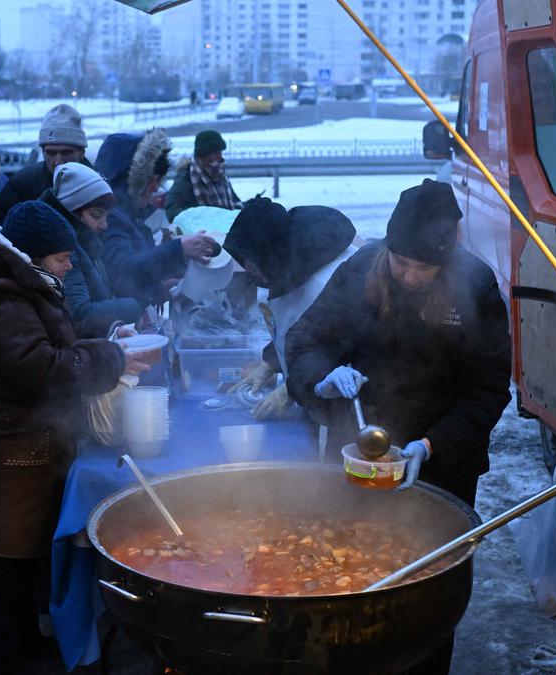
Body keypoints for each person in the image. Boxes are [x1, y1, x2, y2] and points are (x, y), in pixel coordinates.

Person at [285, 180, 510, 674]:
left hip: (439, 460)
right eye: (400, 262)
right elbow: (304, 340)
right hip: (355, 449)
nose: (409, 275)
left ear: (445, 259)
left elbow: (488, 391)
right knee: (345, 568)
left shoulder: (475, 286)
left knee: (426, 590)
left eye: (423, 267)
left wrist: (428, 447)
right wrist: (322, 380)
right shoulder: (362, 267)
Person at [0, 202, 137, 673]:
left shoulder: (22, 286)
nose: (70, 267)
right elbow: (43, 370)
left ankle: (21, 644)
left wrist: (107, 338)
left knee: (16, 563)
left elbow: (52, 340)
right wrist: (113, 359)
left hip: (11, 447)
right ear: (34, 255)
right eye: (64, 258)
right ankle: (0, 660)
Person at [223, 197, 358, 420]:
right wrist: (271, 362)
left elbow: (341, 350)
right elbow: (293, 328)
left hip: (340, 404)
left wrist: (292, 389)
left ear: (268, 253)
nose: (246, 267)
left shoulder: (324, 283)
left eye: (249, 258)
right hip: (309, 391)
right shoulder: (284, 268)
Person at [94, 129, 218, 306]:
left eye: (158, 181)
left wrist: (158, 289)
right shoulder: (110, 218)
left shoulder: (130, 216)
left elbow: (138, 275)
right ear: (131, 180)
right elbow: (124, 271)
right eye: (151, 180)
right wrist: (179, 249)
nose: (155, 188)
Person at [39, 162, 141, 337]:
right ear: (73, 212)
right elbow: (80, 312)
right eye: (96, 215)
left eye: (106, 216)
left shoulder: (86, 241)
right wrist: (133, 306)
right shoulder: (65, 251)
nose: (104, 224)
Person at [0, 104, 88, 224]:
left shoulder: (99, 186)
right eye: (51, 153)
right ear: (43, 152)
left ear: (82, 152)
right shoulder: (23, 183)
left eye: (66, 152)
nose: (58, 162)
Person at [165, 129, 242, 221]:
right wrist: (201, 217)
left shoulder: (220, 175)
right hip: (202, 234)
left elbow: (234, 202)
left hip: (226, 231)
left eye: (220, 152)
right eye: (215, 153)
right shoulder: (186, 177)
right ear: (203, 154)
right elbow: (172, 209)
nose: (220, 157)